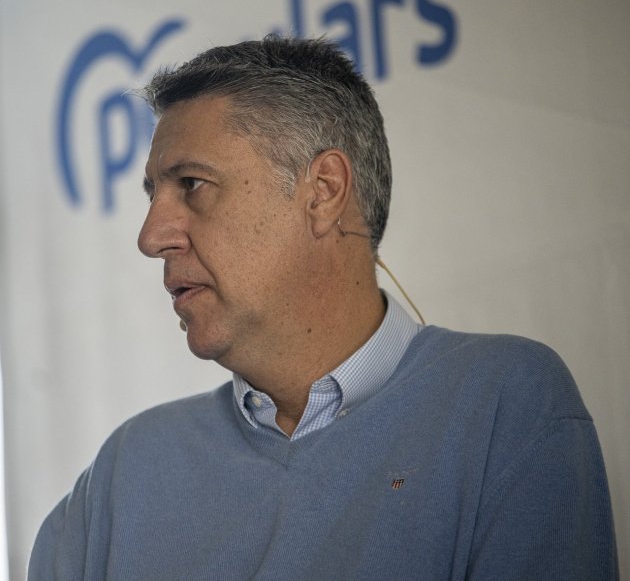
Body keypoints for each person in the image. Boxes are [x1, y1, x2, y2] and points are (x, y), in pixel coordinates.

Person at [28, 36, 618, 580]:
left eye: (192, 184)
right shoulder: (124, 475)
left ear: (324, 192)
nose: (151, 236)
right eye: (153, 194)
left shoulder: (503, 403)